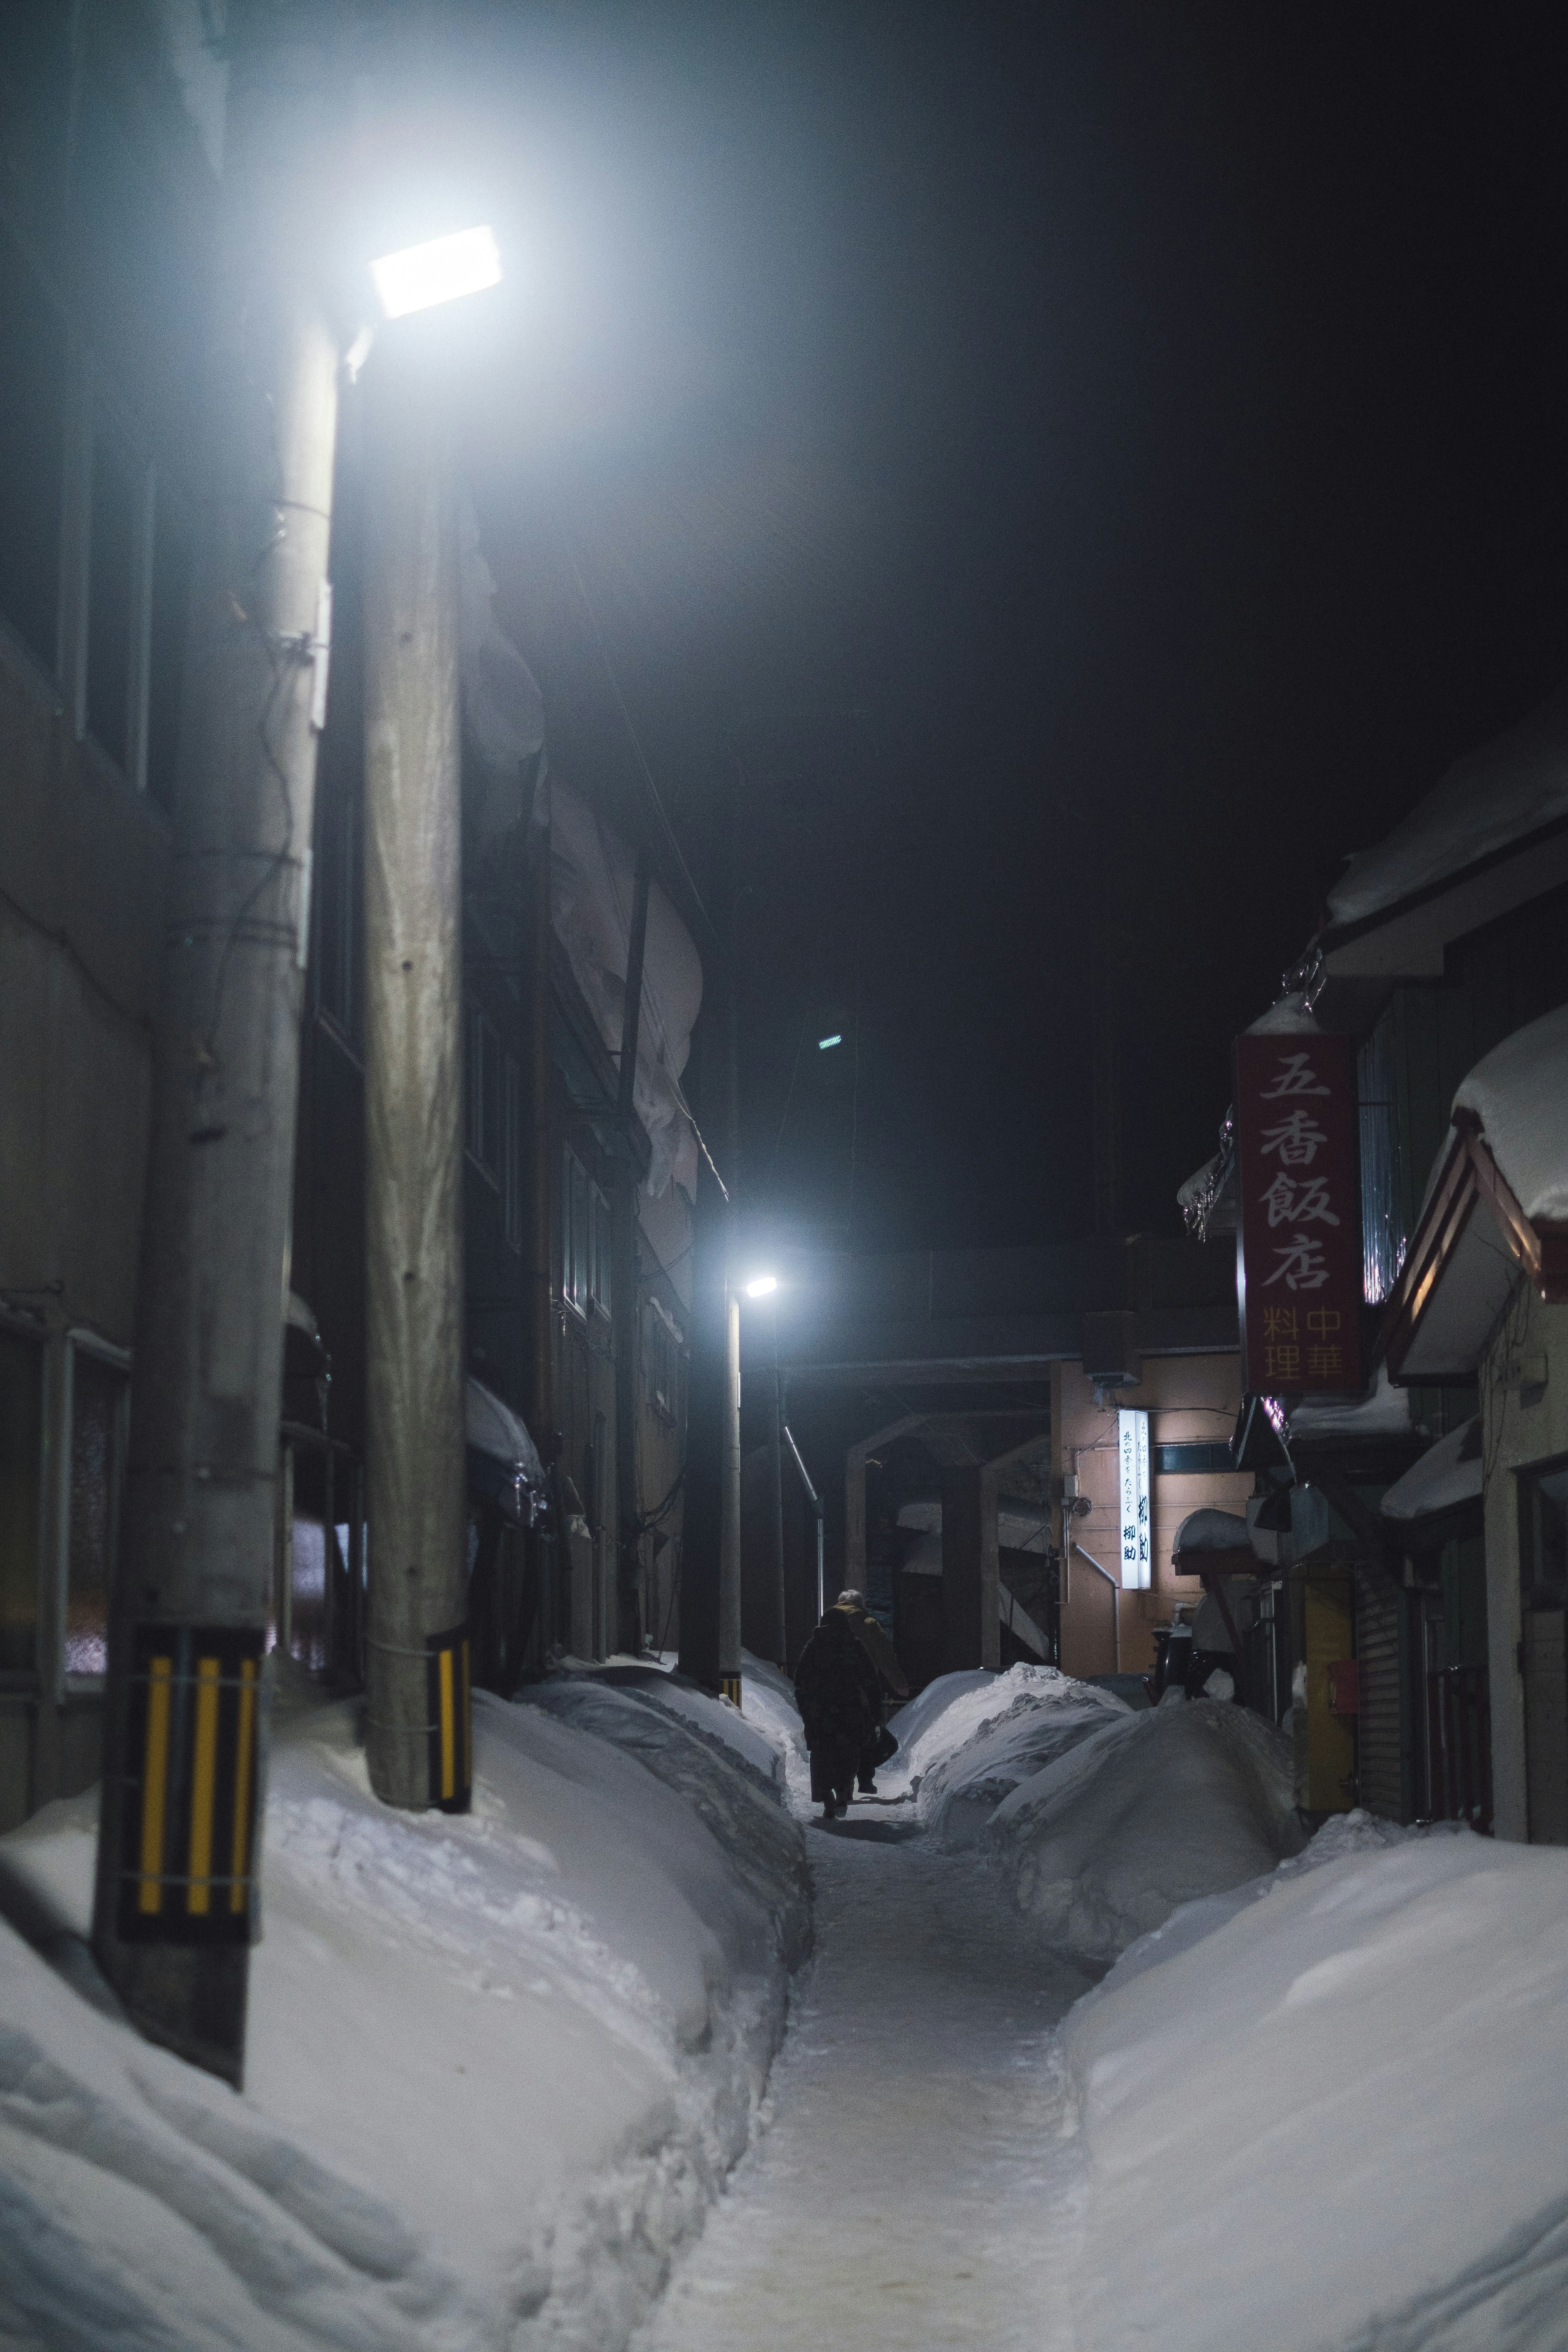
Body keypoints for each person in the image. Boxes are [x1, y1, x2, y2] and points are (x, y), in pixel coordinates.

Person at [792, 1602, 884, 1820]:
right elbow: (871, 1680)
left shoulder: (815, 1645)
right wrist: (875, 1711)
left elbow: (800, 1680)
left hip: (820, 1710)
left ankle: (826, 1797)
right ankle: (843, 1791)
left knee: (823, 1753)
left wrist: (807, 1706)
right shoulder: (854, 1645)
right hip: (849, 1709)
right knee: (849, 1751)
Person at [832, 1588, 909, 1791]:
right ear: (861, 1606)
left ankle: (841, 1782)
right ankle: (864, 1780)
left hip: (830, 1696)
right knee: (868, 1737)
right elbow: (886, 1657)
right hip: (862, 1695)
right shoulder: (868, 1625)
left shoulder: (825, 1626)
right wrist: (900, 1684)